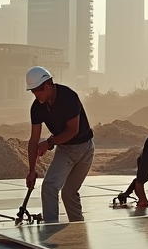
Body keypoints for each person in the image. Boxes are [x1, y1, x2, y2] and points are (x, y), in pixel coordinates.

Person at [25, 66, 95, 223]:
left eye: (39, 90)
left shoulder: (68, 97)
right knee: (57, 189)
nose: (36, 95)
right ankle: (57, 230)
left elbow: (72, 131)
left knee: (62, 191)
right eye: (33, 91)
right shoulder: (37, 107)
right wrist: (31, 171)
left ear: (48, 85)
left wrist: (49, 143)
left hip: (85, 148)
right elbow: (34, 140)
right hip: (66, 148)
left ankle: (71, 231)